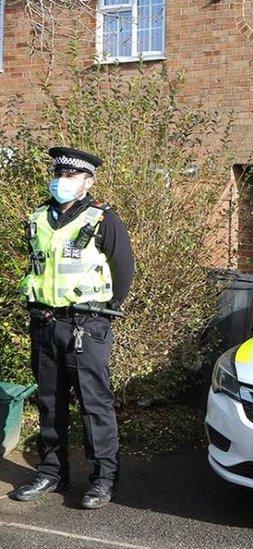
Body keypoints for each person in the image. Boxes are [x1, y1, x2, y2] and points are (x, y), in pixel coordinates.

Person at [11, 147, 135, 510]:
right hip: (45, 324)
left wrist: (103, 313)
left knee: (94, 405)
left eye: (70, 176)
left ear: (87, 182)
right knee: (49, 403)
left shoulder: (103, 219)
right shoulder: (37, 218)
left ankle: (103, 478)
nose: (61, 181)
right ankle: (52, 471)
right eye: (58, 174)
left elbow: (123, 271)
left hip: (87, 325)